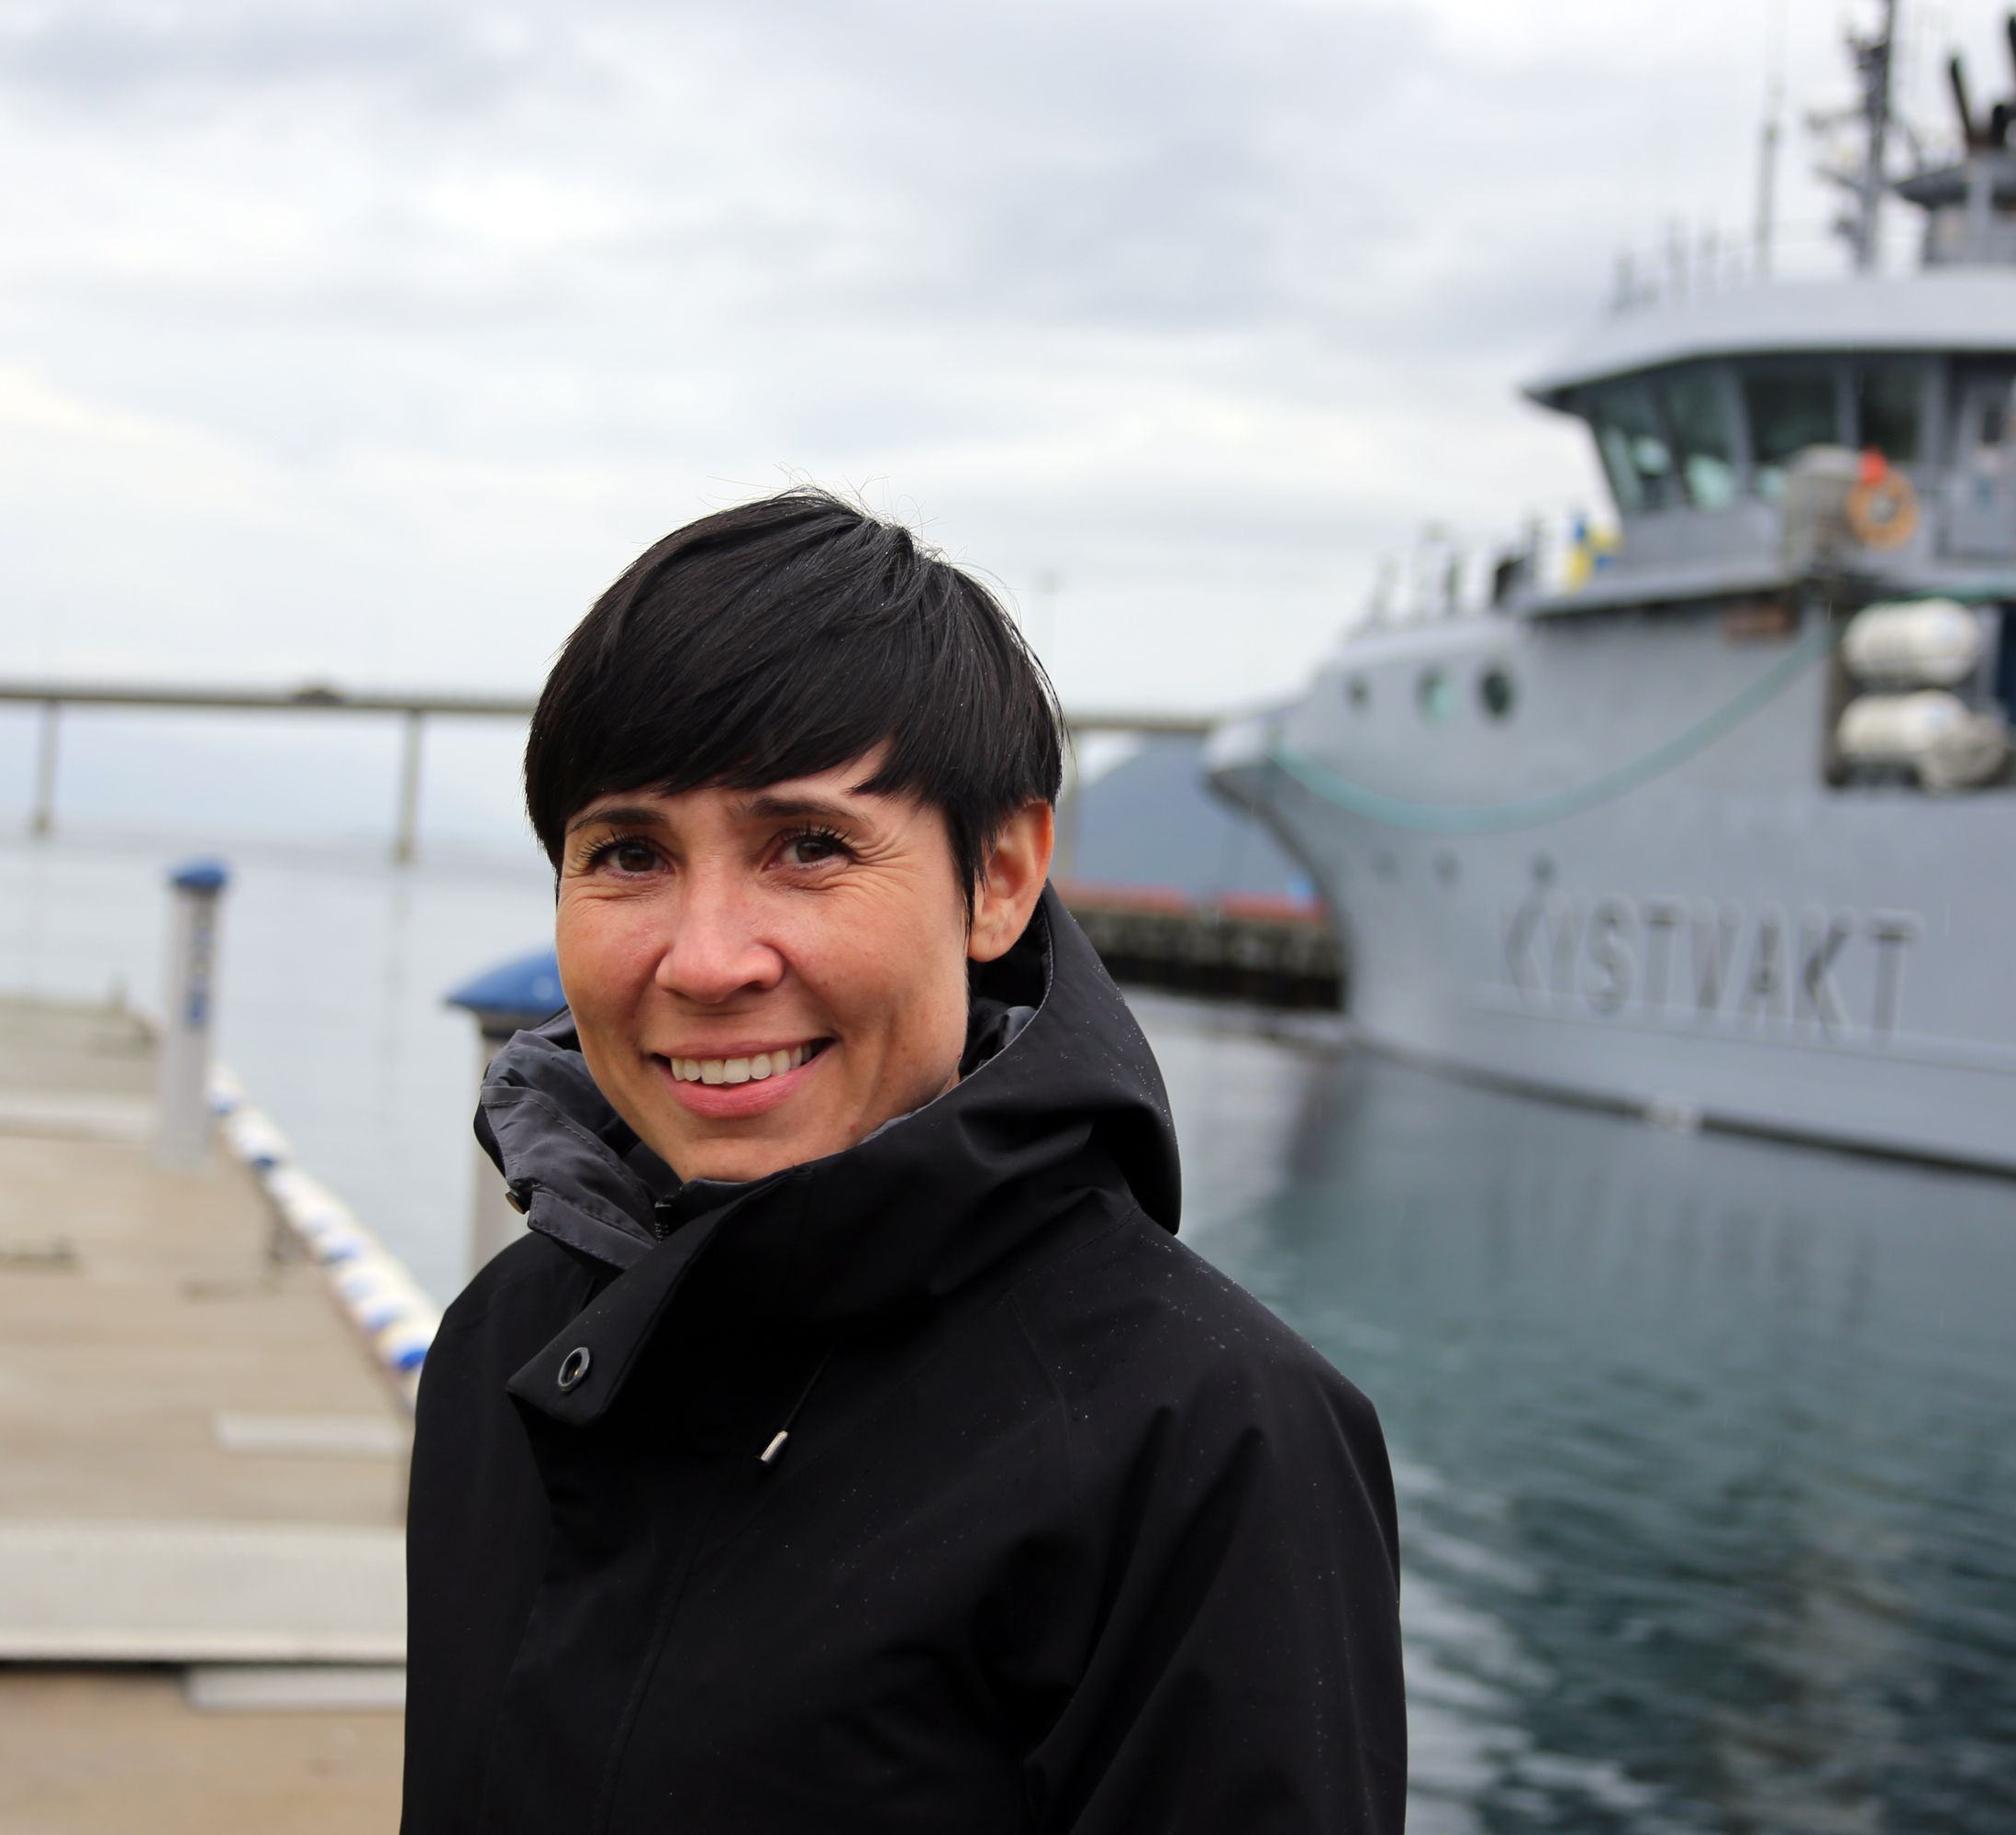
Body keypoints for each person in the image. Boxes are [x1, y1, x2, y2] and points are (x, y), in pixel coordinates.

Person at [400, 490, 1404, 1832]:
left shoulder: (1209, 1443)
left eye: (809, 847)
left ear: (1001, 877)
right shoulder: (505, 1348)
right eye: (629, 854)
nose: (707, 960)